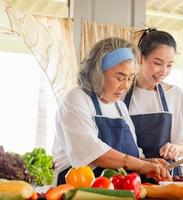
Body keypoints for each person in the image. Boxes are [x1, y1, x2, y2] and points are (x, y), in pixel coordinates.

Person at [52, 37, 171, 185]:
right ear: (98, 73)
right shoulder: (77, 99)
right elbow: (92, 153)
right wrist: (141, 165)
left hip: (116, 188)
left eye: (130, 79)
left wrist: (147, 162)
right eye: (119, 78)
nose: (125, 86)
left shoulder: (119, 108)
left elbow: (130, 154)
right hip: (77, 189)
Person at [124, 29, 183, 176]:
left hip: (166, 176)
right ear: (140, 57)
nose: (164, 71)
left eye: (169, 65)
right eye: (158, 63)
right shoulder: (120, 95)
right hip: (130, 177)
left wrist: (175, 148)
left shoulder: (178, 96)